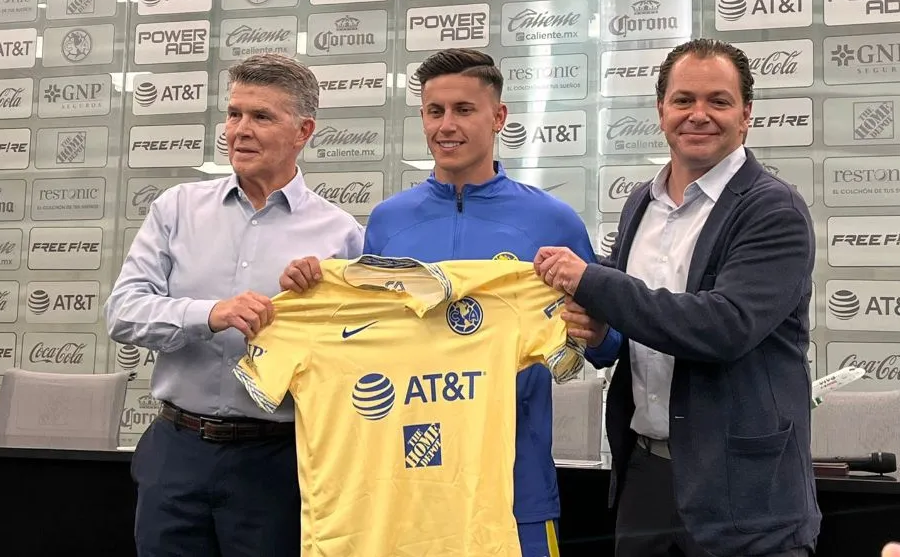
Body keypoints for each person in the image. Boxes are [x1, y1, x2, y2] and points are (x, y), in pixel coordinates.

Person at [533, 38, 820, 556]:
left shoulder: (774, 210)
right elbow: (638, 324)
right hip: (645, 479)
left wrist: (592, 282)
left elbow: (723, 326)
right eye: (684, 99)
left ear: (746, 115)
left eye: (719, 101)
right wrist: (598, 329)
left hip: (745, 498)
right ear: (661, 109)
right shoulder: (640, 203)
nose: (699, 114)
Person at [337, 47, 594, 556]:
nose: (447, 125)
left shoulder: (553, 221)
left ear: (498, 117)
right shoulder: (388, 222)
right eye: (435, 111)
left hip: (517, 488)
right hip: (407, 489)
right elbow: (364, 341)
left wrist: (596, 327)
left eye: (464, 110)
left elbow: (607, 345)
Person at [105, 53, 363, 557]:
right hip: (176, 452)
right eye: (234, 114)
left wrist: (316, 304)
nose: (239, 130)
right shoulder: (176, 209)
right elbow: (124, 311)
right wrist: (209, 313)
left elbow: (355, 356)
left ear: (303, 131)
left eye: (261, 116)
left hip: (279, 461)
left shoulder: (341, 235)